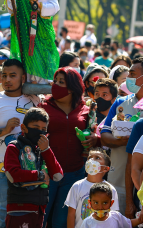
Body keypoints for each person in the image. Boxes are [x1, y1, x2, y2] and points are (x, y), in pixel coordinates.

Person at [0, 59, 40, 228]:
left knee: (24, 219)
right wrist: (4, 131)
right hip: (1, 171)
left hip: (29, 172)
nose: (7, 80)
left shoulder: (35, 101)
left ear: (23, 77)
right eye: (4, 76)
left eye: (13, 75)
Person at [39, 67, 98, 228]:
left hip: (74, 173)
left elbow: (94, 132)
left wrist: (94, 138)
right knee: (41, 218)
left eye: (61, 82)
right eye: (55, 81)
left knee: (61, 221)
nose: (55, 84)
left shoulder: (86, 109)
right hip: (47, 172)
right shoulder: (43, 106)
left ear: (72, 88)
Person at [100, 57, 143, 218]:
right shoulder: (120, 103)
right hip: (118, 181)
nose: (128, 77)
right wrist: (123, 141)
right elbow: (104, 136)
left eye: (132, 73)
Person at [3, 107, 63, 228]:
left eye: (43, 129)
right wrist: (39, 175)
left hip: (39, 210)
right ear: (23, 128)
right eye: (35, 128)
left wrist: (46, 150)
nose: (40, 132)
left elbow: (58, 175)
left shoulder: (42, 151)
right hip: (19, 210)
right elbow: (13, 175)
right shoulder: (14, 147)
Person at [6, 0, 60, 84]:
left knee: (43, 50)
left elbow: (55, 6)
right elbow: (13, 6)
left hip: (42, 27)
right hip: (26, 24)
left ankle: (43, 80)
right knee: (28, 50)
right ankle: (29, 78)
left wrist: (40, 6)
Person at [65, 148, 119, 228]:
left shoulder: (111, 189)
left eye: (97, 158)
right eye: (89, 158)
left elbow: (114, 216)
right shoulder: (77, 186)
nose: (91, 160)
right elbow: (71, 215)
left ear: (105, 168)